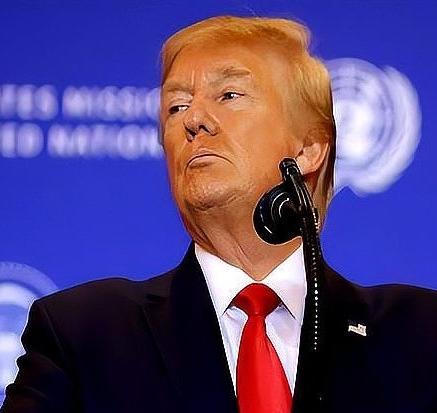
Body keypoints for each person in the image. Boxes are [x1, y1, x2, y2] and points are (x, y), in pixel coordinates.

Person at [1, 15, 436, 413]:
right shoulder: (85, 333)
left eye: (229, 94)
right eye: (176, 107)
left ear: (308, 148)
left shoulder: (419, 334)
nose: (193, 119)